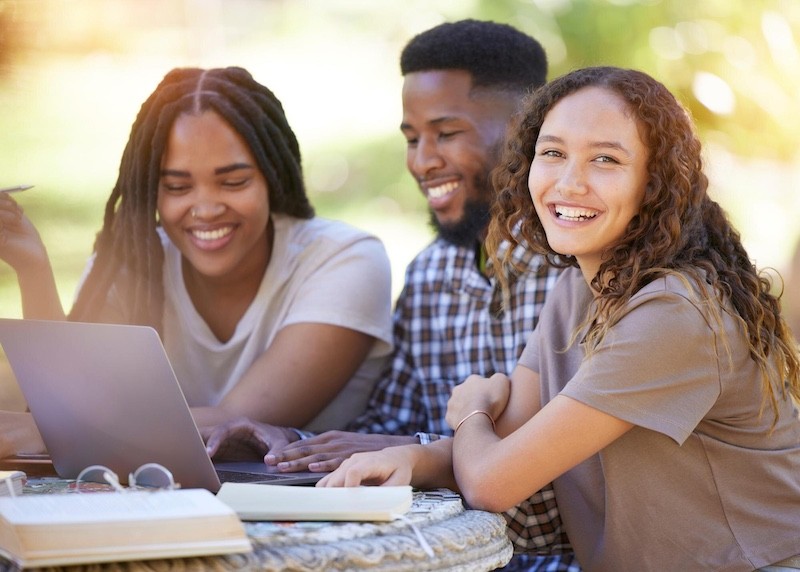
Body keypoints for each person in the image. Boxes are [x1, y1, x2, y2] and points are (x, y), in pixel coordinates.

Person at [318, 66, 800, 572]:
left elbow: (491, 482)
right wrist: (412, 461)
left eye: (606, 160)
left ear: (653, 185)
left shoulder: (675, 313)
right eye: (552, 153)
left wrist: (469, 413)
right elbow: (508, 444)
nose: (569, 182)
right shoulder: (578, 288)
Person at [206, 20, 578, 571]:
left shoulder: (578, 274)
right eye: (411, 138)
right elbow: (389, 426)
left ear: (527, 129)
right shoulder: (430, 273)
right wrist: (285, 444)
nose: (422, 161)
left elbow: (557, 476)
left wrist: (416, 453)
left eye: (446, 133)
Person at [0, 66, 393, 453]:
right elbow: (65, 401)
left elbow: (237, 422)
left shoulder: (345, 260)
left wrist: (57, 429)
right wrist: (32, 268)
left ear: (272, 177)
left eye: (233, 182)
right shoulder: (132, 262)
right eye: (177, 186)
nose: (205, 209)